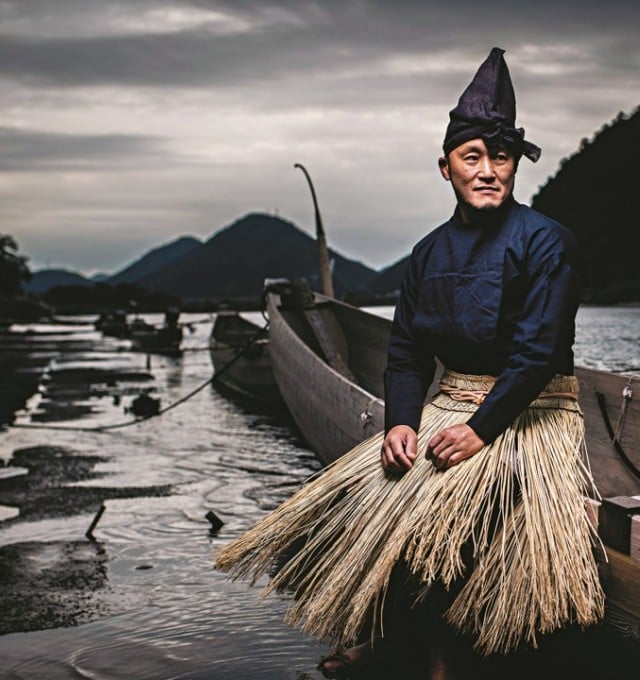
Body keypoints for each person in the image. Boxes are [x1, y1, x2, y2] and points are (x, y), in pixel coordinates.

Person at [214, 47, 604, 679]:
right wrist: (400, 422)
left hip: (529, 413)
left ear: (514, 165)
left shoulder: (547, 242)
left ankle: (447, 656)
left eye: (499, 157)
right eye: (471, 157)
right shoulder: (427, 255)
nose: (487, 171)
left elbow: (538, 355)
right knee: (383, 488)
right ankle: (388, 632)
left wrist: (480, 431)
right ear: (445, 167)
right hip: (447, 401)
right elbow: (406, 353)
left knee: (456, 504)